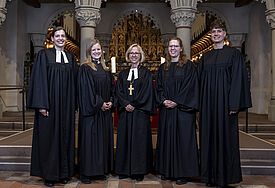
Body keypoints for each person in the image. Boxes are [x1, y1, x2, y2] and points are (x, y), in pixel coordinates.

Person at [198, 20, 252, 187]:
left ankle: (225, 178)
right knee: (208, 139)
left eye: (219, 31)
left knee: (225, 140)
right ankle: (209, 177)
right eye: (213, 31)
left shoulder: (233, 55)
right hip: (208, 106)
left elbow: (237, 80)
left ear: (224, 34)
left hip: (226, 106)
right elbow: (199, 82)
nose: (216, 34)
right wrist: (199, 104)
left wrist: (234, 104)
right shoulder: (204, 57)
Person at [27, 26, 78, 187]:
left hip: (66, 108)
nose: (61, 38)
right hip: (49, 107)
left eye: (63, 36)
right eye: (58, 36)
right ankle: (49, 175)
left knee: (65, 138)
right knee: (49, 139)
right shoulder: (44, 55)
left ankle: (64, 173)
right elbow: (39, 81)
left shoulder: (70, 58)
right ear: (52, 38)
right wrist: (42, 105)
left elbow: (75, 83)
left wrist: (74, 104)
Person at [155, 37, 200, 185]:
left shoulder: (188, 66)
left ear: (181, 48)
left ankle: (183, 173)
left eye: (176, 46)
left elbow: (191, 87)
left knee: (183, 141)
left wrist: (177, 101)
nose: (173, 48)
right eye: (170, 46)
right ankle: (168, 170)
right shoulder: (163, 68)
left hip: (183, 112)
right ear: (168, 49)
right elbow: (158, 88)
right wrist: (163, 100)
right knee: (167, 140)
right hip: (167, 110)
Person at [115, 44, 156, 181]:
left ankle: (139, 170)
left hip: (140, 113)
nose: (134, 55)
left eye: (136, 53)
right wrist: (126, 104)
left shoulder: (146, 73)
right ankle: (124, 169)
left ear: (140, 56)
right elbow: (118, 91)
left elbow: (147, 92)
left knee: (139, 141)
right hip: (125, 113)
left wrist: (134, 104)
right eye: (131, 53)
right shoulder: (122, 74)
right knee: (124, 139)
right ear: (128, 55)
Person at [77, 39, 115, 184]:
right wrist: (100, 104)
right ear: (89, 52)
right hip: (91, 113)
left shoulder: (105, 70)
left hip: (104, 113)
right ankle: (86, 172)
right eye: (94, 50)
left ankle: (99, 171)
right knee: (89, 141)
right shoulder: (85, 68)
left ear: (102, 51)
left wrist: (111, 101)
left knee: (101, 141)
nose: (96, 52)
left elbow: (112, 88)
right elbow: (86, 91)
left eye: (98, 50)